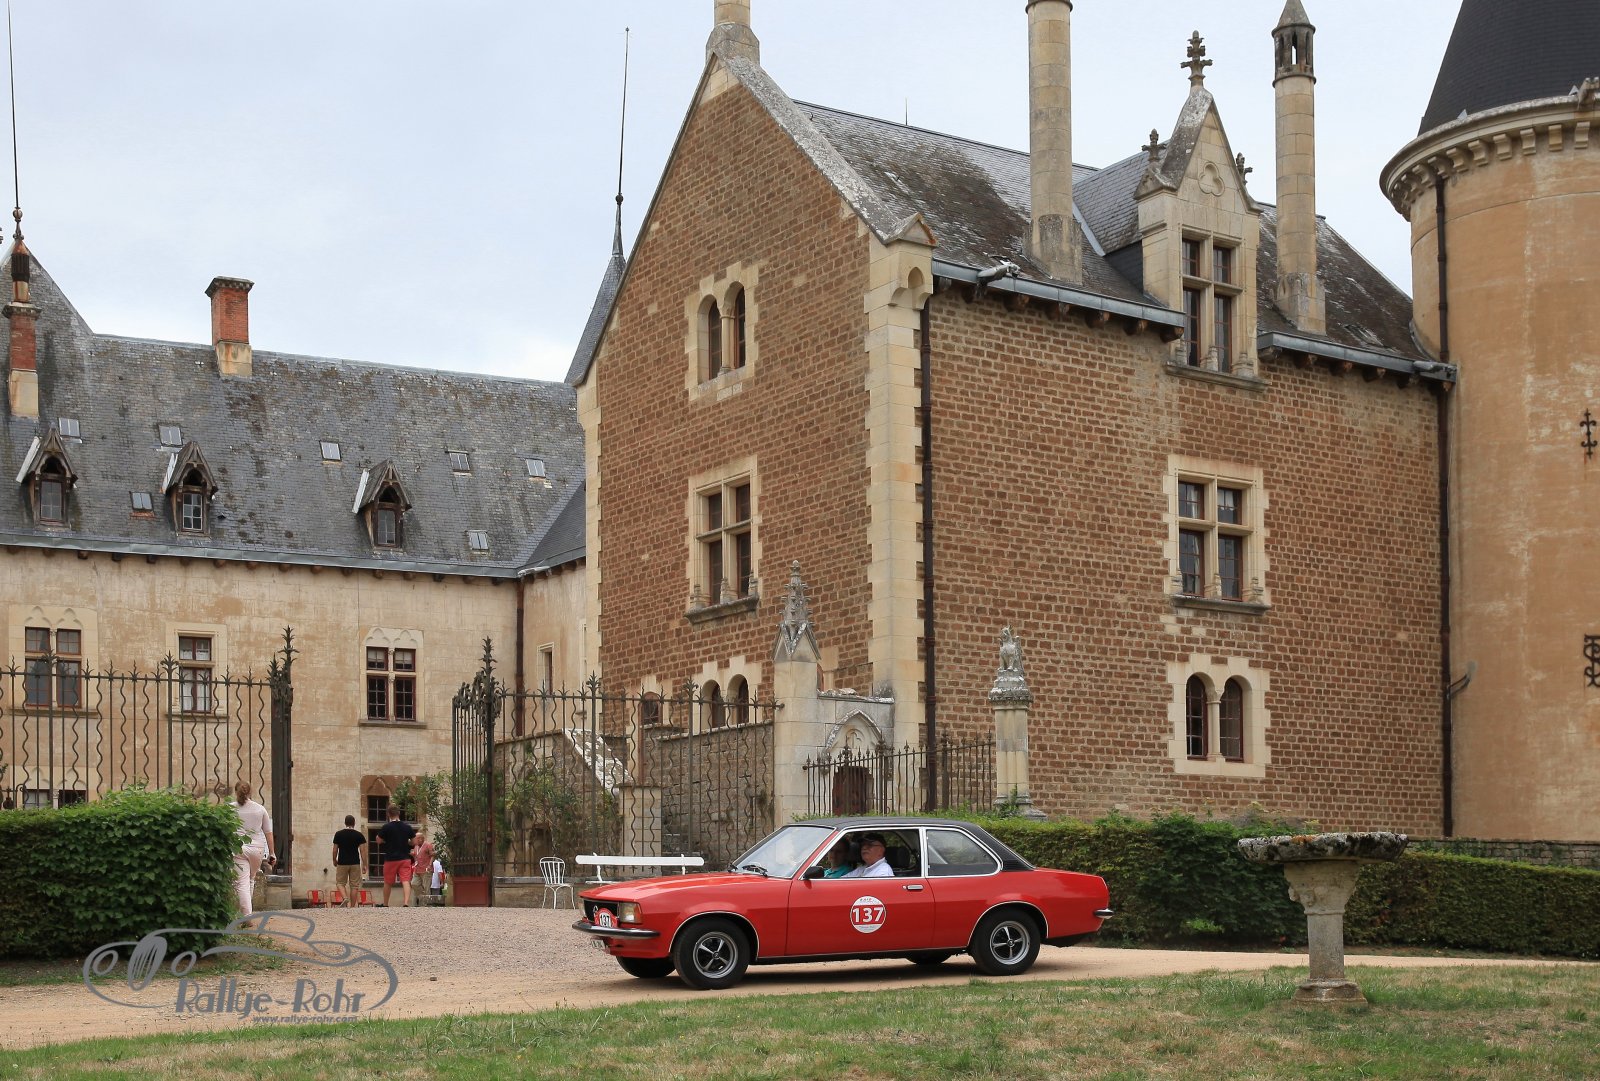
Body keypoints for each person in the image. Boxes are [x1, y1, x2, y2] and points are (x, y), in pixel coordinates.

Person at [231, 781, 275, 916]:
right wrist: (272, 853)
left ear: (235, 791)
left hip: (238, 847)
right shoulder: (260, 809)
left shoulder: (229, 808)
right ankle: (247, 914)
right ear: (250, 792)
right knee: (250, 879)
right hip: (257, 848)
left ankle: (246, 915)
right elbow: (268, 833)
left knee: (241, 882)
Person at [376, 804, 416, 907]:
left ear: (388, 814)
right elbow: (414, 842)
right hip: (405, 858)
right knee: (406, 880)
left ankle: (386, 904)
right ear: (399, 813)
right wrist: (407, 842)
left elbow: (378, 840)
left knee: (388, 882)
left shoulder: (386, 827)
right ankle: (406, 903)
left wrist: (386, 840)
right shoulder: (407, 827)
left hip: (390, 858)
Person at [330, 815, 367, 908]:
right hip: (355, 863)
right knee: (354, 886)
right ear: (354, 823)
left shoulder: (339, 834)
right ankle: (352, 907)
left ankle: (345, 898)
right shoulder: (359, 835)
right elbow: (363, 851)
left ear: (345, 823)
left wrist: (334, 860)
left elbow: (335, 849)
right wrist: (364, 864)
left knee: (340, 883)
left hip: (342, 862)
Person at [410, 829, 436, 907]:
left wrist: (429, 865)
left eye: (416, 839)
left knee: (426, 887)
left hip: (426, 870)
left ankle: (427, 904)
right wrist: (413, 855)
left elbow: (433, 855)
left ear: (421, 839)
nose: (414, 840)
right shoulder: (416, 846)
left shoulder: (428, 845)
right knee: (414, 884)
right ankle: (423, 897)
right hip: (417, 869)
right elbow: (416, 856)